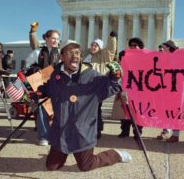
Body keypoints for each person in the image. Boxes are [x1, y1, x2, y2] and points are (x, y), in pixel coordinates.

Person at [31, 42, 131, 171]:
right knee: (52, 166)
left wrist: (114, 77)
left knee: (86, 166)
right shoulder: (55, 75)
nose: (75, 56)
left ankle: (116, 155)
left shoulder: (91, 76)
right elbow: (48, 88)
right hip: (60, 131)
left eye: (77, 53)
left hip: (82, 132)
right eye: (70, 53)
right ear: (61, 57)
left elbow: (111, 86)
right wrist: (38, 92)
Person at [26, 21, 61, 146]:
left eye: (57, 39)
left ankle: (56, 135)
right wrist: (36, 70)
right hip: (41, 83)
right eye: (53, 38)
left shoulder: (61, 54)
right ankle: (43, 136)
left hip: (56, 84)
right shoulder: (38, 52)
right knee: (41, 109)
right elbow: (27, 66)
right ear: (46, 38)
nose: (55, 41)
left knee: (56, 110)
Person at [82, 31, 117, 139]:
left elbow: (111, 50)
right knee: (85, 109)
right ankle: (86, 130)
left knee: (95, 109)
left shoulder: (104, 55)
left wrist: (112, 38)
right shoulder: (85, 53)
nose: (93, 47)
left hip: (96, 85)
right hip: (83, 86)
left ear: (100, 48)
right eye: (92, 45)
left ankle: (97, 130)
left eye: (96, 45)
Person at [114, 37, 144, 139]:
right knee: (125, 109)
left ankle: (137, 131)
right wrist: (120, 57)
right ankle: (124, 130)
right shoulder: (125, 56)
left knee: (138, 111)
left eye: (135, 45)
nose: (132, 47)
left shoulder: (145, 57)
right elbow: (118, 69)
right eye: (130, 45)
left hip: (139, 89)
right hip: (127, 87)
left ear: (140, 47)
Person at [156, 40, 178, 140]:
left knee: (173, 111)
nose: (161, 49)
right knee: (164, 110)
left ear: (168, 47)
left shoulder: (177, 57)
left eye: (163, 47)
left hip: (174, 89)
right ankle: (166, 130)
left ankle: (174, 133)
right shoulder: (160, 58)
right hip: (162, 89)